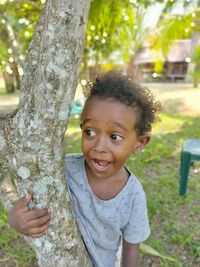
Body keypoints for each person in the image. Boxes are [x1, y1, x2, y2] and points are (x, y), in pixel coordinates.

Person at [8, 72, 160, 267]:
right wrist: (15, 219)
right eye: (89, 132)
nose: (99, 146)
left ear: (139, 143)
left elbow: (131, 247)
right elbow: (30, 202)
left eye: (114, 137)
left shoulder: (133, 195)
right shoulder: (64, 169)